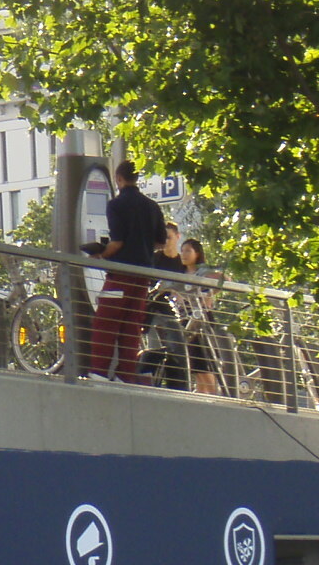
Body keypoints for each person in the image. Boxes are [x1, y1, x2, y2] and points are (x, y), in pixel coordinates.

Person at [85, 161, 164, 383]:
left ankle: (98, 373)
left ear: (118, 179)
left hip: (119, 275)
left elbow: (117, 242)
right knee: (131, 327)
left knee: (105, 322)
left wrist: (102, 253)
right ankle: (124, 375)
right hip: (143, 278)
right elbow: (160, 241)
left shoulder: (116, 205)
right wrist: (142, 244)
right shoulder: (152, 206)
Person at [142, 222, 188, 388]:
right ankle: (150, 383)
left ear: (177, 237)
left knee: (177, 351)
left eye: (169, 237)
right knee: (156, 349)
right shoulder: (154, 258)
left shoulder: (182, 263)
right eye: (163, 238)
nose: (166, 241)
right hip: (155, 311)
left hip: (175, 314)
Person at [177, 238, 224, 395]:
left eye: (188, 250)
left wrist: (209, 295)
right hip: (186, 319)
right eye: (182, 250)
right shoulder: (181, 273)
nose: (184, 254)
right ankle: (202, 397)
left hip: (202, 318)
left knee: (206, 363)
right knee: (196, 366)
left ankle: (214, 398)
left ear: (197, 253)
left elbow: (225, 279)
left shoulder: (202, 271)